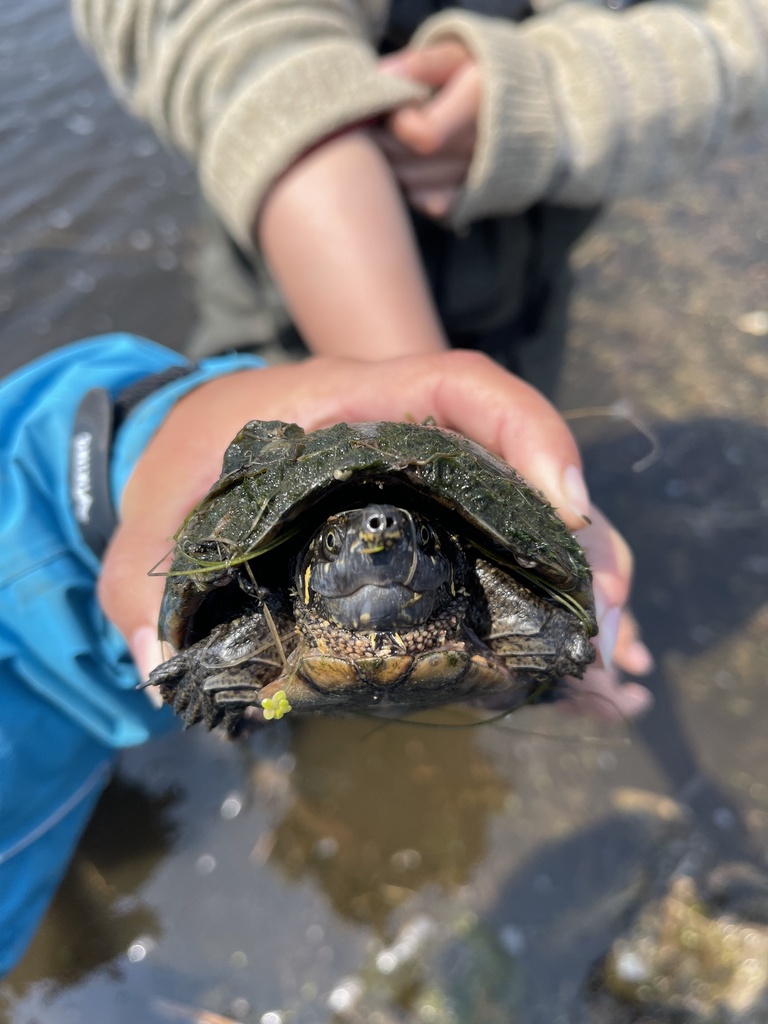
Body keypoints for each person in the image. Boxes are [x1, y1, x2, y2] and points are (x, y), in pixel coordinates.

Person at [0, 336, 650, 976]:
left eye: (406, 537)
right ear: (307, 570)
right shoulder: (276, 620)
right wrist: (207, 679)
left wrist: (119, 460)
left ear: (446, 560)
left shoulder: (475, 597)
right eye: (343, 541)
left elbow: (557, 632)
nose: (376, 535)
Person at [71, 0, 768, 395]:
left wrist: (577, 92)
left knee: (528, 414)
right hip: (293, 272)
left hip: (532, 263)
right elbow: (223, 39)